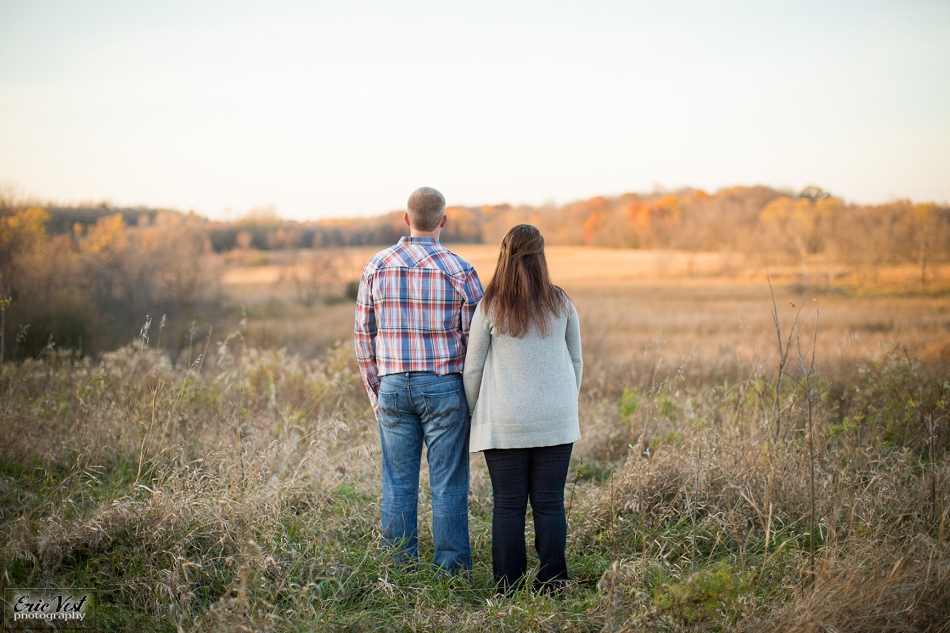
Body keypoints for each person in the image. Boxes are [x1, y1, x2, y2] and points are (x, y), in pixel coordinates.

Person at [354, 187, 484, 573]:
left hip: (393, 384)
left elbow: (364, 337)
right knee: (448, 484)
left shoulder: (377, 266)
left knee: (397, 483)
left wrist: (376, 393)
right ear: (443, 220)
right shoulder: (460, 270)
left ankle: (397, 568)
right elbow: (476, 342)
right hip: (445, 386)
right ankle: (452, 569)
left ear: (406, 219)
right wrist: (469, 398)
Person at [463, 224, 582, 593]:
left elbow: (473, 368)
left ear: (504, 254)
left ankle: (508, 587)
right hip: (556, 421)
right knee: (550, 504)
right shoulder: (561, 302)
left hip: (504, 422)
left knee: (508, 507)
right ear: (541, 256)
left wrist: (476, 411)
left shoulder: (491, 305)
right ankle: (553, 581)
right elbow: (576, 361)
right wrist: (562, 404)